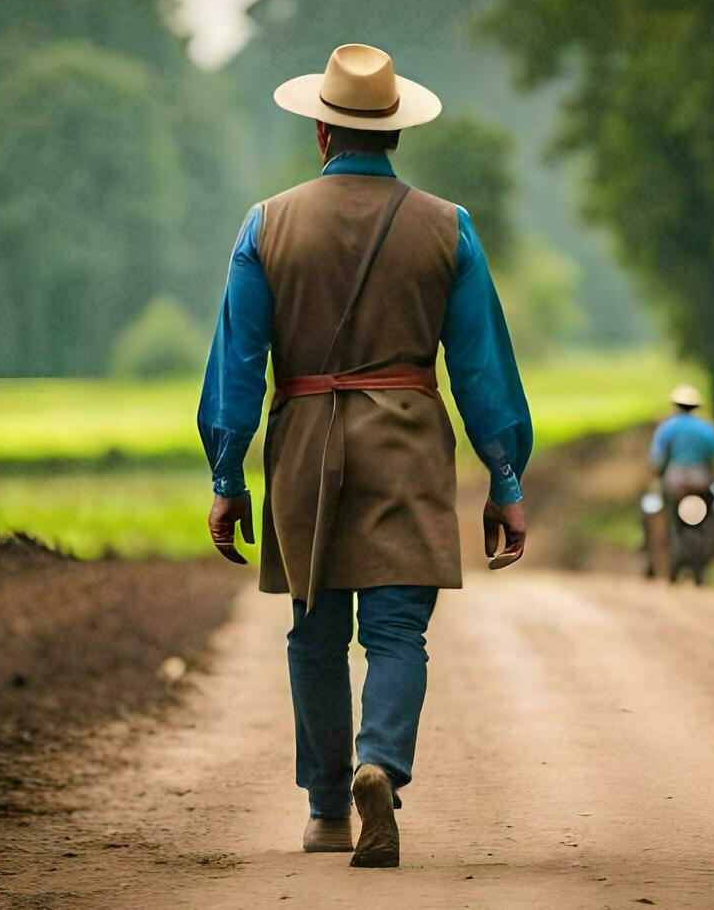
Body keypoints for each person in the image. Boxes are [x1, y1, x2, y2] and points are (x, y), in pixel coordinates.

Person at [195, 44, 532, 869]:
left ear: (319, 130)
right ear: (395, 134)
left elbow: (238, 363)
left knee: (314, 628)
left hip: (305, 432)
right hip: (408, 437)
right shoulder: (447, 226)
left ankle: (324, 809)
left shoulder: (264, 224)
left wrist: (226, 475)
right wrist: (506, 477)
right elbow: (480, 365)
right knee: (395, 632)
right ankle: (378, 765)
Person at [645, 385, 714, 574]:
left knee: (653, 507)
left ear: (675, 405)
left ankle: (650, 546)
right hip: (701, 479)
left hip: (675, 479)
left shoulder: (667, 428)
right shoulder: (706, 429)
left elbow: (657, 458)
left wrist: (658, 476)